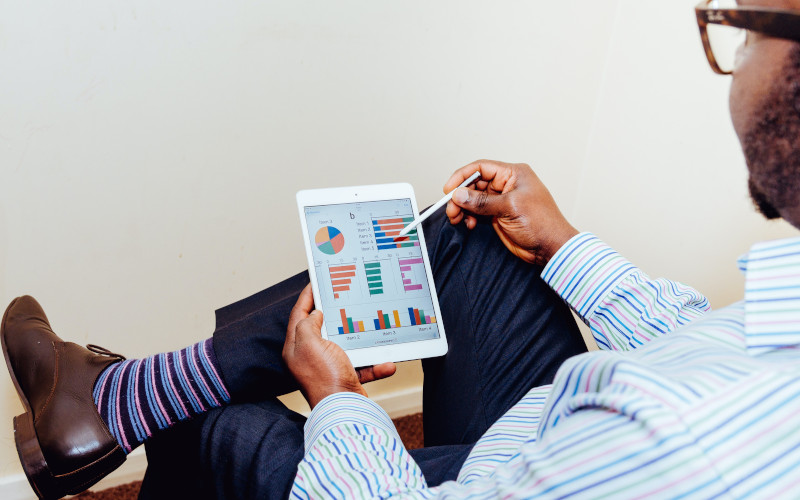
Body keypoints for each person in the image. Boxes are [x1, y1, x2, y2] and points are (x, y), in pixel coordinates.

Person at [3, 0, 800, 497]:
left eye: (739, 26)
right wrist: (561, 243)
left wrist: (341, 403)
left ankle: (122, 403)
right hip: (560, 434)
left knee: (213, 425)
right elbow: (705, 344)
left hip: (508, 479)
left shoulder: (688, 442)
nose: (734, 67)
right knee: (474, 236)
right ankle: (108, 402)